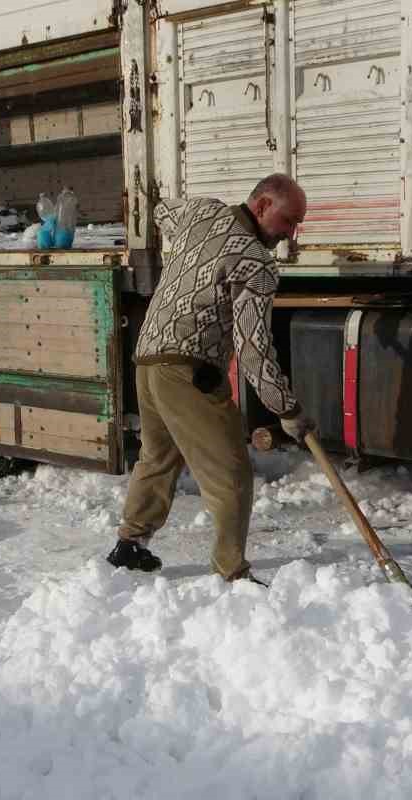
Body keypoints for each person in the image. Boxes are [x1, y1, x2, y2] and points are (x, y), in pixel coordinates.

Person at [105, 174, 315, 584]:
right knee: (230, 474)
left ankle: (130, 543)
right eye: (288, 221)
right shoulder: (256, 263)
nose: (290, 234)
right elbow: (253, 348)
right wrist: (286, 409)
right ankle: (231, 572)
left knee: (157, 457)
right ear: (261, 206)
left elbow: (163, 210)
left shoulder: (202, 212)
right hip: (189, 370)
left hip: (147, 360)